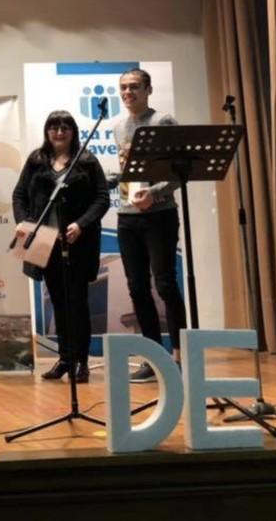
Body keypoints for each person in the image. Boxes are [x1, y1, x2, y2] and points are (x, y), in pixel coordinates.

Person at [12, 110, 109, 383]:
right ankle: (65, 358)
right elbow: (19, 195)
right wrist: (22, 222)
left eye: (65, 127)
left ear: (73, 132)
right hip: (44, 241)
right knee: (58, 302)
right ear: (47, 132)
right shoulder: (36, 160)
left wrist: (81, 224)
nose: (59, 132)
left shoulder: (86, 160)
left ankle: (82, 362)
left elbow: (102, 198)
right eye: (54, 127)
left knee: (77, 303)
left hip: (77, 242)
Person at [113, 67, 185, 383]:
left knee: (165, 284)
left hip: (159, 214)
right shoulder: (118, 127)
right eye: (123, 88)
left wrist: (154, 194)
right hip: (128, 216)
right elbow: (128, 172)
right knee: (137, 287)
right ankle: (153, 358)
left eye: (134, 87)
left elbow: (181, 172)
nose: (128, 93)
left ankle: (179, 356)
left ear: (148, 90)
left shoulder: (163, 122)